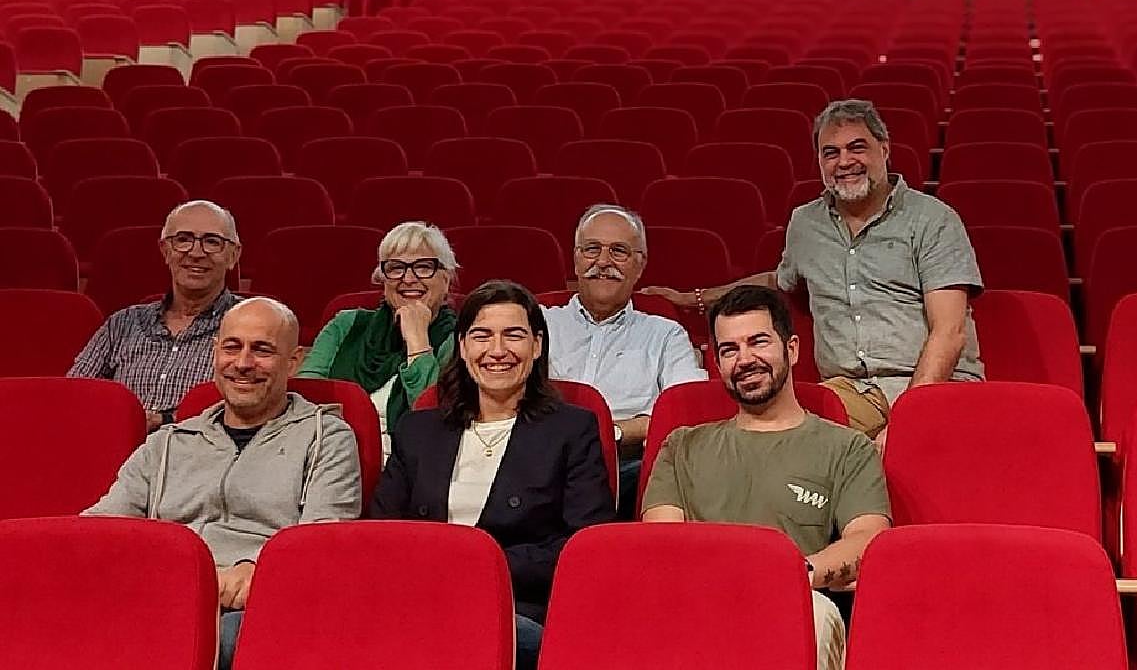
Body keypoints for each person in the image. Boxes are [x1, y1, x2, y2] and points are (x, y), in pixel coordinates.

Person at [645, 99, 983, 446]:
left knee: (798, 444)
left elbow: (950, 331)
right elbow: (778, 281)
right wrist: (693, 298)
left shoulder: (933, 220)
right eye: (831, 152)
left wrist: (907, 420)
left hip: (933, 385)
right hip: (849, 391)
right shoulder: (806, 224)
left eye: (857, 147)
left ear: (884, 150)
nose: (844, 162)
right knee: (760, 433)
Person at [84, 297, 362, 670]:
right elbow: (100, 529)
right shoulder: (168, 442)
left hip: (259, 605)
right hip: (162, 594)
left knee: (226, 641)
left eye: (262, 350)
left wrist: (256, 570)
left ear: (293, 361)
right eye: (232, 347)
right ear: (215, 353)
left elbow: (322, 545)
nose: (243, 363)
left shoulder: (327, 436)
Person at [642, 285, 891, 670]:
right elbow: (663, 547)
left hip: (795, 601)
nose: (745, 360)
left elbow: (867, 538)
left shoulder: (847, 447)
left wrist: (785, 577)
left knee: (813, 614)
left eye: (758, 342)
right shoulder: (682, 446)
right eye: (729, 350)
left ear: (792, 349)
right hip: (697, 602)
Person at [371, 280, 615, 670]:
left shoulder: (572, 429)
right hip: (417, 597)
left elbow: (584, 545)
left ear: (536, 346)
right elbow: (382, 532)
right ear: (462, 346)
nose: (497, 351)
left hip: (515, 604)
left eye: (513, 335)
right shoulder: (417, 430)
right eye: (482, 336)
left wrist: (477, 566)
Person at [542, 204, 707, 517]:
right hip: (541, 456)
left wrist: (613, 433)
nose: (603, 262)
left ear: (639, 265)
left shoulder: (665, 334)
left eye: (618, 251)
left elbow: (687, 411)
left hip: (627, 463)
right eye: (592, 249)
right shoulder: (539, 325)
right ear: (576, 259)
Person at [69, 200, 243, 432]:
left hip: (204, 447)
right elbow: (73, 396)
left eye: (212, 242)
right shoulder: (122, 324)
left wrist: (165, 420)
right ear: (165, 250)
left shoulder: (250, 326)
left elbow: (254, 407)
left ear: (233, 255)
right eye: (183, 239)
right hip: (119, 445)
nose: (196, 253)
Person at [299, 221, 458, 437]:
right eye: (396, 268)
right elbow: (307, 394)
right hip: (334, 443)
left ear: (446, 280)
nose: (408, 279)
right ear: (383, 279)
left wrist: (418, 341)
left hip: (414, 452)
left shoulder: (461, 340)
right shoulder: (346, 325)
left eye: (423, 267)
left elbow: (435, 419)